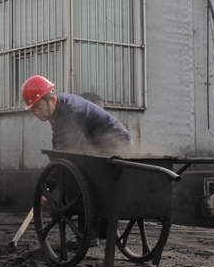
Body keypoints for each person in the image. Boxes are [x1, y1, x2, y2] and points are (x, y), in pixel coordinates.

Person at [22, 74, 132, 248]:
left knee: (84, 180)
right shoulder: (58, 110)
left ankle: (88, 235)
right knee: (90, 181)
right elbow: (59, 147)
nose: (36, 113)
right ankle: (98, 232)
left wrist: (47, 185)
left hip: (114, 142)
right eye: (32, 109)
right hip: (99, 144)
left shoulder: (68, 112)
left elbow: (65, 154)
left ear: (51, 99)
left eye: (39, 107)